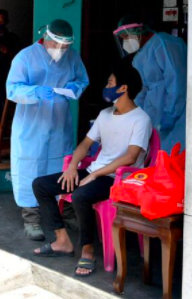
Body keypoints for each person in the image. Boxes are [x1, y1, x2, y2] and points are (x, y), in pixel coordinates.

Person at [32, 63, 150, 277]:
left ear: (123, 88)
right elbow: (85, 145)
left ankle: (88, 250)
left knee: (80, 196)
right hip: (95, 172)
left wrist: (96, 173)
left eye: (110, 83)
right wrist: (71, 168)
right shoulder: (105, 114)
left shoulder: (141, 119)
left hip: (118, 178)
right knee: (41, 185)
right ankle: (62, 240)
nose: (106, 86)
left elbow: (131, 157)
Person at [6, 19, 89, 241]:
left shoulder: (72, 57)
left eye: (66, 47)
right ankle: (31, 218)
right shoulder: (25, 57)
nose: (62, 51)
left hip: (59, 122)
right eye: (58, 45)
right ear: (47, 39)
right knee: (29, 166)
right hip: (31, 123)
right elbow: (12, 89)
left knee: (61, 165)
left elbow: (82, 80)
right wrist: (36, 92)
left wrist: (75, 87)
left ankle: (67, 211)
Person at [115, 16, 187, 152]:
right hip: (156, 112)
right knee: (157, 154)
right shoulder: (139, 57)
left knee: (175, 153)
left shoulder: (163, 43)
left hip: (176, 111)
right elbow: (141, 90)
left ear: (138, 31)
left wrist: (171, 113)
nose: (125, 42)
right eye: (122, 39)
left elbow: (176, 81)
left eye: (126, 37)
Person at [0, 9, 21, 118]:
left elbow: (19, 60)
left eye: (1, 22)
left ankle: (1, 131)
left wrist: (7, 51)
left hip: (6, 76)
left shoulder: (13, 37)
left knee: (4, 106)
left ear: (6, 21)